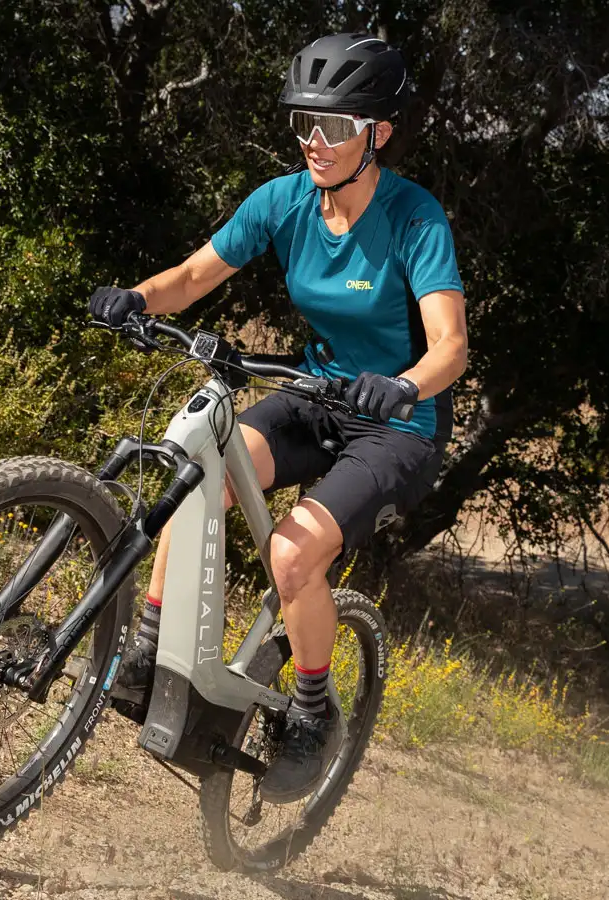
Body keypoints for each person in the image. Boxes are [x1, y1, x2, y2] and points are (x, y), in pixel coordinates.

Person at [87, 32, 468, 803]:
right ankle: (151, 647)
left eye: (333, 127)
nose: (314, 142)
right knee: (199, 477)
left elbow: (451, 347)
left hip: (398, 423)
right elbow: (195, 275)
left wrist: (403, 387)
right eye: (304, 124)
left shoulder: (414, 218)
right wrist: (135, 297)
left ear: (378, 133)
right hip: (314, 392)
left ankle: (311, 709)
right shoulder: (284, 200)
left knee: (293, 558)